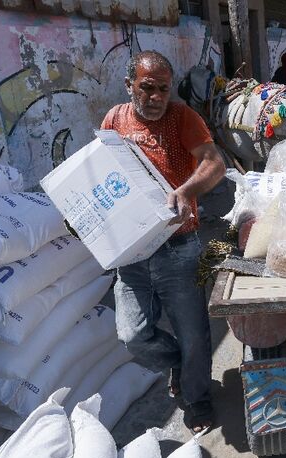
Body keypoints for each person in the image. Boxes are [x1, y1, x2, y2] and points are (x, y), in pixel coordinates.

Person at [100, 51, 225, 433]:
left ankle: (198, 398)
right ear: (129, 86)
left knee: (194, 333)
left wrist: (188, 189)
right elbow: (99, 171)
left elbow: (214, 162)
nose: (156, 97)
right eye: (147, 88)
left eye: (163, 89)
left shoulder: (182, 117)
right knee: (133, 335)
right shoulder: (115, 120)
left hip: (179, 248)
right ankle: (179, 363)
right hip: (133, 251)